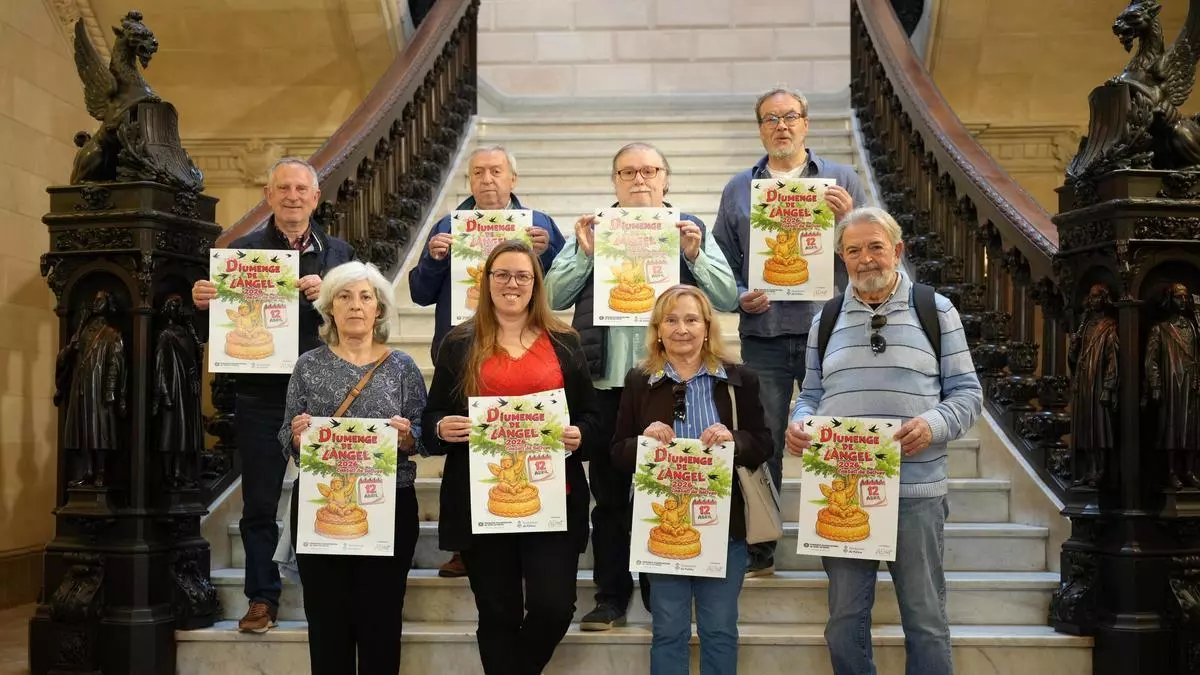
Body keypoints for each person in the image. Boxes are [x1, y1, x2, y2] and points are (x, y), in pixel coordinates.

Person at [546, 141, 739, 630]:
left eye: (649, 171)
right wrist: (585, 254)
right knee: (610, 497)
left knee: (668, 489)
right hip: (608, 383)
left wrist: (694, 254)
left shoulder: (687, 227)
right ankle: (610, 596)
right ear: (614, 181)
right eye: (628, 172)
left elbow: (726, 296)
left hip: (671, 384)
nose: (639, 179)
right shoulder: (593, 228)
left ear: (666, 179)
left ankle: (661, 594)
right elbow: (550, 296)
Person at [784, 207, 982, 675]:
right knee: (843, 622)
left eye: (875, 247)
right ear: (841, 258)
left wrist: (932, 424)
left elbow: (968, 394)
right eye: (853, 250)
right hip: (841, 491)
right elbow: (810, 394)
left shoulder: (935, 310)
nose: (865, 259)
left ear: (897, 250)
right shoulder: (826, 318)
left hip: (916, 493)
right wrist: (801, 421)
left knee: (925, 619)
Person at [422, 240, 603, 675]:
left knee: (554, 607)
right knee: (497, 613)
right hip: (482, 502)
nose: (512, 284)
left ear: (536, 284)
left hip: (553, 498)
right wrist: (441, 428)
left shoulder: (564, 342)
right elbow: (432, 415)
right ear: (486, 281)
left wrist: (581, 434)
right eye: (502, 274)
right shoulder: (459, 342)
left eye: (523, 276)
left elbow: (593, 416)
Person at [192, 156, 354, 633]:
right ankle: (261, 599)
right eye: (283, 188)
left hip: (326, 391)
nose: (292, 196)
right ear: (268, 196)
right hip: (261, 393)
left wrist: (332, 295)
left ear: (315, 198)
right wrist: (204, 303)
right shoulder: (241, 253)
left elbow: (368, 321)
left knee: (331, 497)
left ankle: (331, 593)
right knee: (260, 503)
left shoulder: (341, 255)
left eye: (301, 189)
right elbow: (216, 331)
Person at [713, 88, 869, 576]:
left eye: (790, 117)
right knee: (764, 442)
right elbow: (719, 262)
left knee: (840, 437)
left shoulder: (842, 179)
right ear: (760, 128)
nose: (781, 126)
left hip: (833, 333)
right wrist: (739, 294)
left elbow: (874, 246)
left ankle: (845, 543)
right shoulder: (739, 188)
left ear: (806, 123)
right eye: (770, 119)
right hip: (764, 335)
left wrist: (849, 219)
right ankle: (762, 546)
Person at [409, 145, 565, 577]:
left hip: (524, 344)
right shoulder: (448, 225)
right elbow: (419, 293)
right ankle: (465, 545)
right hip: (464, 350)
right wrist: (435, 259)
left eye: (496, 171)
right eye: (478, 172)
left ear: (513, 179)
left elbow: (564, 286)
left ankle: (531, 524)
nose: (487, 179)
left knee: (522, 438)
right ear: (469, 180)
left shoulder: (538, 224)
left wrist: (549, 251)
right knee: (466, 444)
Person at [610, 285, 772, 675]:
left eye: (691, 319)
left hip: (725, 526)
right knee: (668, 631)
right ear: (658, 329)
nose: (682, 329)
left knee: (719, 630)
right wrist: (643, 442)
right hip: (663, 529)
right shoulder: (640, 380)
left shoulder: (739, 379)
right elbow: (616, 452)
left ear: (707, 326)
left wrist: (734, 439)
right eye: (671, 320)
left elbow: (764, 444)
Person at [280, 261, 426, 675]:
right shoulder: (308, 365)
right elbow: (285, 435)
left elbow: (424, 436)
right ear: (330, 308)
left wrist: (407, 437)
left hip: (389, 507)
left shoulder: (402, 366)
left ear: (379, 309)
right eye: (344, 297)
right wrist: (296, 435)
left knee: (381, 625)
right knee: (327, 625)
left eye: (365, 297)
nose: (355, 305)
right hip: (320, 508)